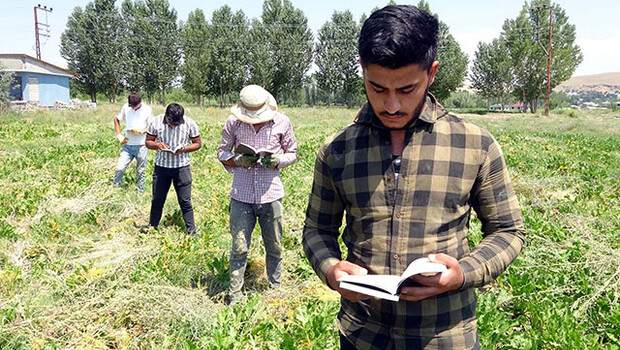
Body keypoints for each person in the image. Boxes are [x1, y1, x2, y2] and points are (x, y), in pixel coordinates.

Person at [302, 5, 525, 350]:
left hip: (444, 335)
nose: (391, 105)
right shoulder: (338, 150)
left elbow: (508, 232)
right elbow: (318, 230)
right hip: (363, 335)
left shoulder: (474, 145)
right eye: (377, 88)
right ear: (362, 71)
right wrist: (331, 269)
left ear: (432, 72)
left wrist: (462, 273)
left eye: (406, 90)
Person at [218, 85, 298, 304]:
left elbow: (292, 152)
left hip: (270, 194)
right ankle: (235, 294)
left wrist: (278, 161)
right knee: (239, 246)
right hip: (241, 195)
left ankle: (275, 288)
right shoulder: (233, 123)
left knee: (274, 244)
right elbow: (222, 151)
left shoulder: (282, 122)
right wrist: (237, 160)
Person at [145, 103, 201, 235]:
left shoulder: (190, 123)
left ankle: (191, 231)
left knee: (185, 201)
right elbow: (148, 142)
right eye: (171, 123)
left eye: (177, 124)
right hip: (161, 168)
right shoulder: (155, 122)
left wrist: (184, 149)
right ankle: (153, 227)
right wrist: (158, 145)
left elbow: (198, 144)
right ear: (166, 117)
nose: (174, 126)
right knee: (157, 199)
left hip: (182, 167)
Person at [113, 92, 153, 192]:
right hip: (128, 145)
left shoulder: (147, 109)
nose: (134, 108)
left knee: (140, 171)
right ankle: (114, 189)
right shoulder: (126, 107)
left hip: (141, 145)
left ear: (141, 102)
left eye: (136, 106)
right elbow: (116, 119)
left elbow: (152, 127)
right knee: (120, 168)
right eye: (132, 106)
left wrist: (143, 131)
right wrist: (119, 135)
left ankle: (140, 192)